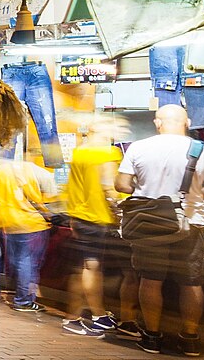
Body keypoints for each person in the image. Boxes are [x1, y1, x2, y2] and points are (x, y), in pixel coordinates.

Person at [117, 105, 204, 355]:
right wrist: (195, 193)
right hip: (190, 224)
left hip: (149, 224)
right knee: (191, 283)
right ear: (187, 121)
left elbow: (122, 185)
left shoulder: (138, 147)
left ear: (157, 123)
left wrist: (148, 187)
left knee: (151, 281)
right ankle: (189, 338)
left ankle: (153, 337)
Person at [61, 116, 128, 337]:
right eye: (115, 127)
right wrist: (120, 209)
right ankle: (98, 316)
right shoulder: (107, 153)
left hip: (78, 215)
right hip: (96, 217)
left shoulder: (80, 152)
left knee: (81, 269)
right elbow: (109, 186)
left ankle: (73, 317)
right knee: (92, 268)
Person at [0, 147, 60, 313]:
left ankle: (13, 291)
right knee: (29, 263)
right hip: (32, 224)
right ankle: (23, 300)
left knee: (17, 261)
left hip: (8, 223)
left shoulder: (2, 171)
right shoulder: (42, 174)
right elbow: (52, 204)